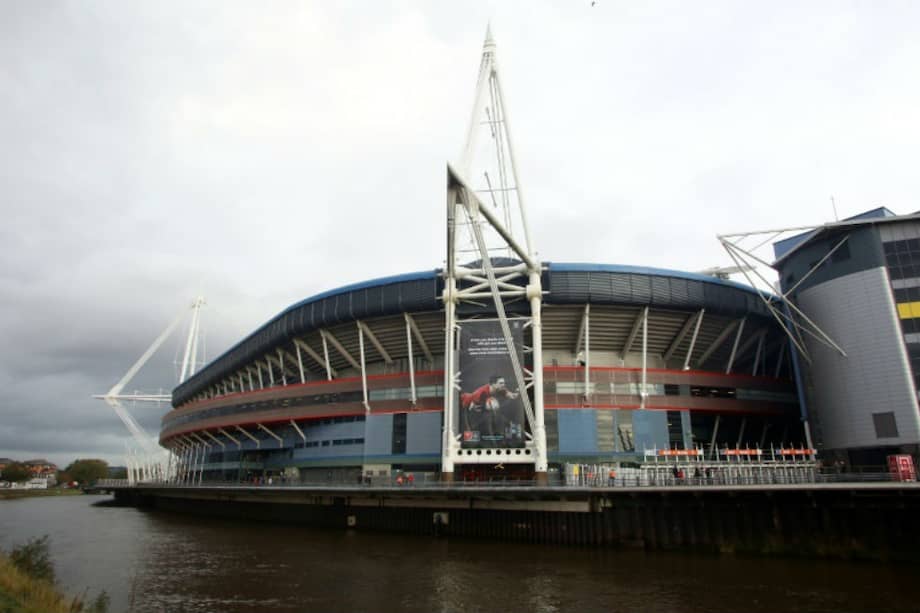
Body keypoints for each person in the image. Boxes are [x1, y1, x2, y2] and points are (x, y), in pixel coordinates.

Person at [461, 376, 520, 445]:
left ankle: (501, 439)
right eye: (501, 383)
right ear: (493, 384)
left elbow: (512, 396)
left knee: (495, 420)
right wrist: (486, 405)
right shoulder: (480, 393)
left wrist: (517, 392)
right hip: (465, 405)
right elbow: (471, 408)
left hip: (482, 407)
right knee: (470, 433)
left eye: (504, 383)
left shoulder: (501, 389)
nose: (503, 385)